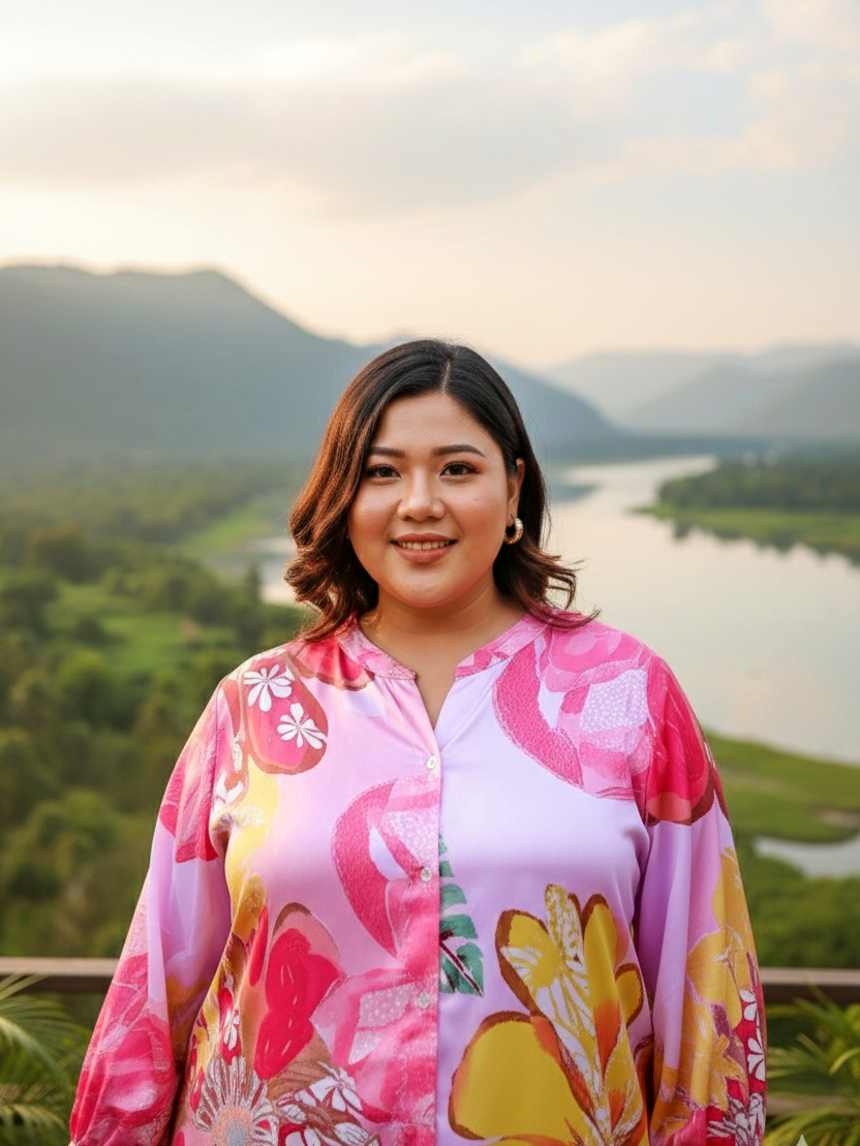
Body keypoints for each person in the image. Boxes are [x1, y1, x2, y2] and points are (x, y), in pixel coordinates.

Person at [71, 340, 766, 1146]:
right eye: (382, 471)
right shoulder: (256, 706)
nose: (420, 502)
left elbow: (708, 990)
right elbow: (153, 991)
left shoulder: (630, 697)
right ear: (344, 497)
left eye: (458, 469)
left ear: (514, 489)